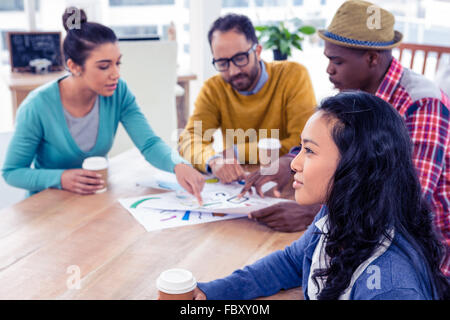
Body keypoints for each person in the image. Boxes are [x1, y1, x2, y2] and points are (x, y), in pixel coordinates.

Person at [242, 0, 450, 277]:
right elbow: (325, 140)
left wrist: (317, 213)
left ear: (372, 59)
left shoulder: (423, 104)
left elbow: (407, 201)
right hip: (362, 234)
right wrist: (290, 161)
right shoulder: (353, 92)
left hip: (423, 253)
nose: (329, 70)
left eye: (336, 61)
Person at [193, 91, 450, 300]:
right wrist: (208, 293)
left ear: (355, 166)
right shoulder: (339, 215)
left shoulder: (390, 287)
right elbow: (289, 262)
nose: (295, 164)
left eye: (310, 151)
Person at [2, 7, 205, 203]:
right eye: (104, 66)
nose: (115, 73)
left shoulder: (118, 92)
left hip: (93, 201)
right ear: (73, 66)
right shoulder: (37, 107)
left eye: (118, 63)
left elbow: (149, 144)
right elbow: (12, 171)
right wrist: (61, 178)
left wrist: (178, 165)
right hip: (46, 206)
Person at [177, 14, 317, 187]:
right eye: (222, 63)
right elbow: (189, 139)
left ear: (257, 52)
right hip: (239, 187)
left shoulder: (293, 76)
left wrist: (236, 152)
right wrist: (213, 160)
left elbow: (301, 143)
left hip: (288, 185)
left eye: (240, 58)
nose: (234, 71)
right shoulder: (213, 89)